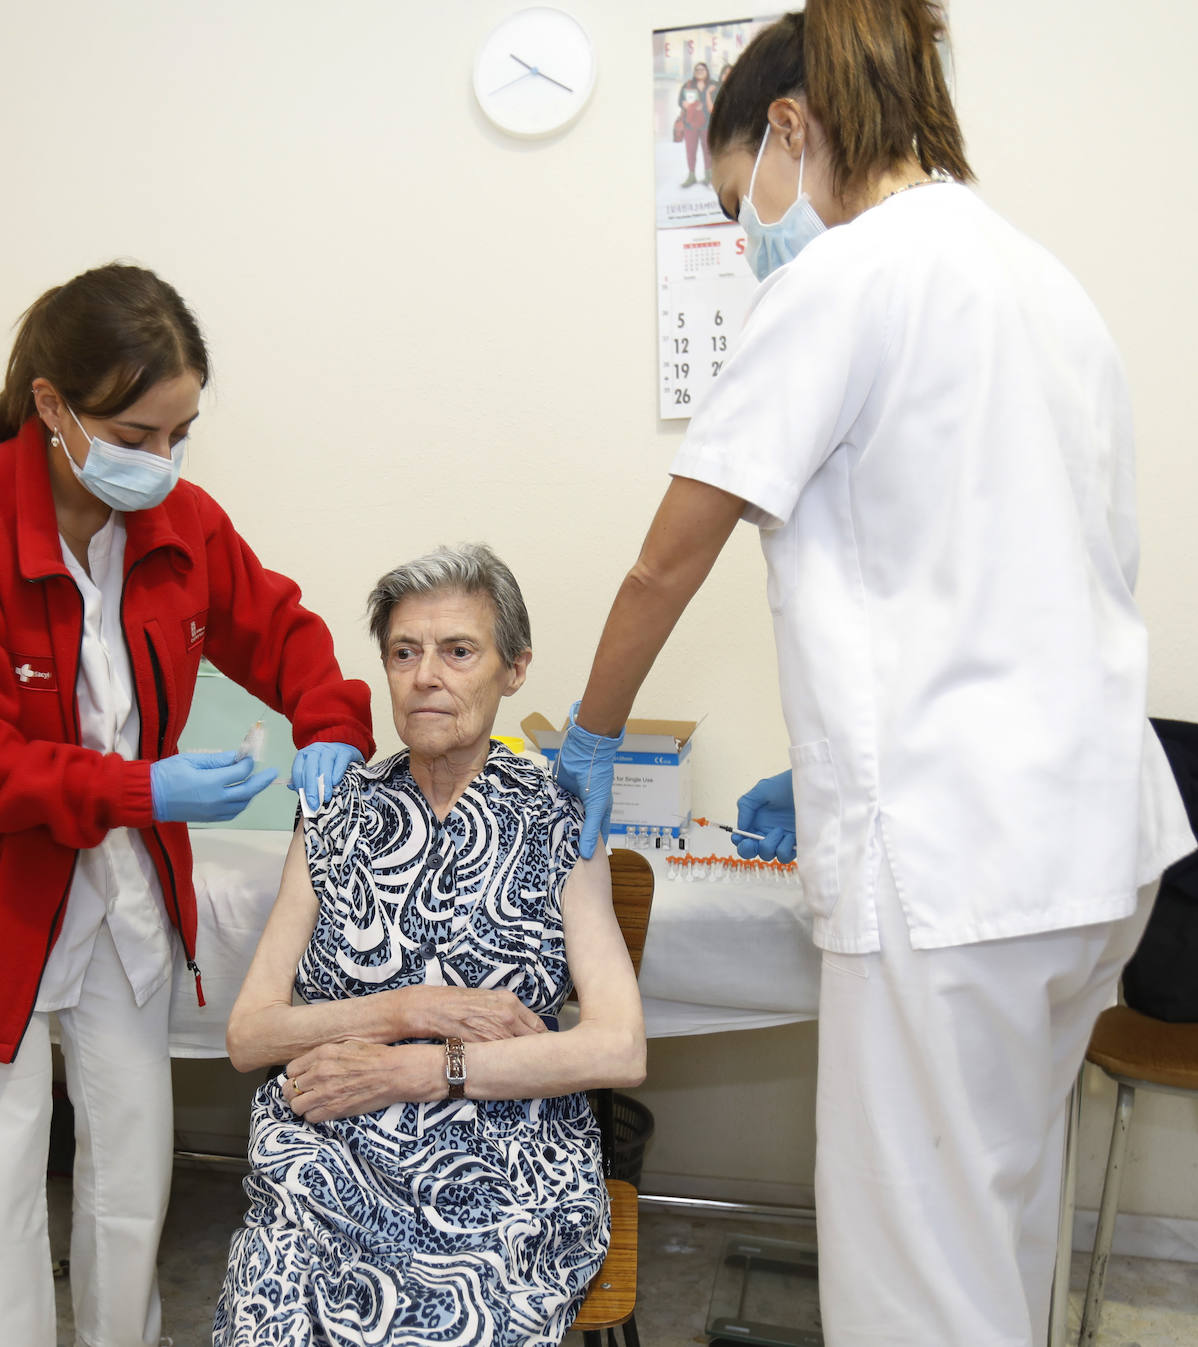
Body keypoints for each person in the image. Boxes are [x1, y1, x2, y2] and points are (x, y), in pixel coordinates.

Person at [552, 3, 1196, 1345]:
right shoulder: (1044, 284)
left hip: (951, 863)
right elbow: (1063, 567)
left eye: (743, 200)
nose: (754, 235)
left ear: (791, 128)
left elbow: (662, 567)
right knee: (995, 1223)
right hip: (1086, 848)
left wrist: (587, 744)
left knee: (911, 1282)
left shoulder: (846, 279)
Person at [0, 263, 375, 1347]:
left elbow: (279, 630)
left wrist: (330, 725)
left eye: (180, 433)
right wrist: (137, 787)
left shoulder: (179, 524)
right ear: (52, 406)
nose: (161, 461)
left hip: (119, 898)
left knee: (130, 1178)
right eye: (137, 433)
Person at [215, 544, 646, 1346]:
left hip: (503, 1175)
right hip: (329, 1167)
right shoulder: (333, 813)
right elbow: (249, 1035)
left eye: (458, 651)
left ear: (514, 670)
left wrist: (418, 1066)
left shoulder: (560, 815)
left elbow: (619, 1047)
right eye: (404, 652)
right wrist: (407, 1008)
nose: (425, 676)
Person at [677, 60, 717, 187]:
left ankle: (708, 176)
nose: (699, 72)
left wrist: (705, 99)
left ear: (707, 72)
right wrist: (684, 103)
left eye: (702, 70)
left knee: (708, 150)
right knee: (691, 150)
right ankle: (691, 176)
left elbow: (718, 103)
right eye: (697, 70)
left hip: (708, 124)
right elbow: (680, 100)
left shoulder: (713, 85)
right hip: (691, 123)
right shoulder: (688, 85)